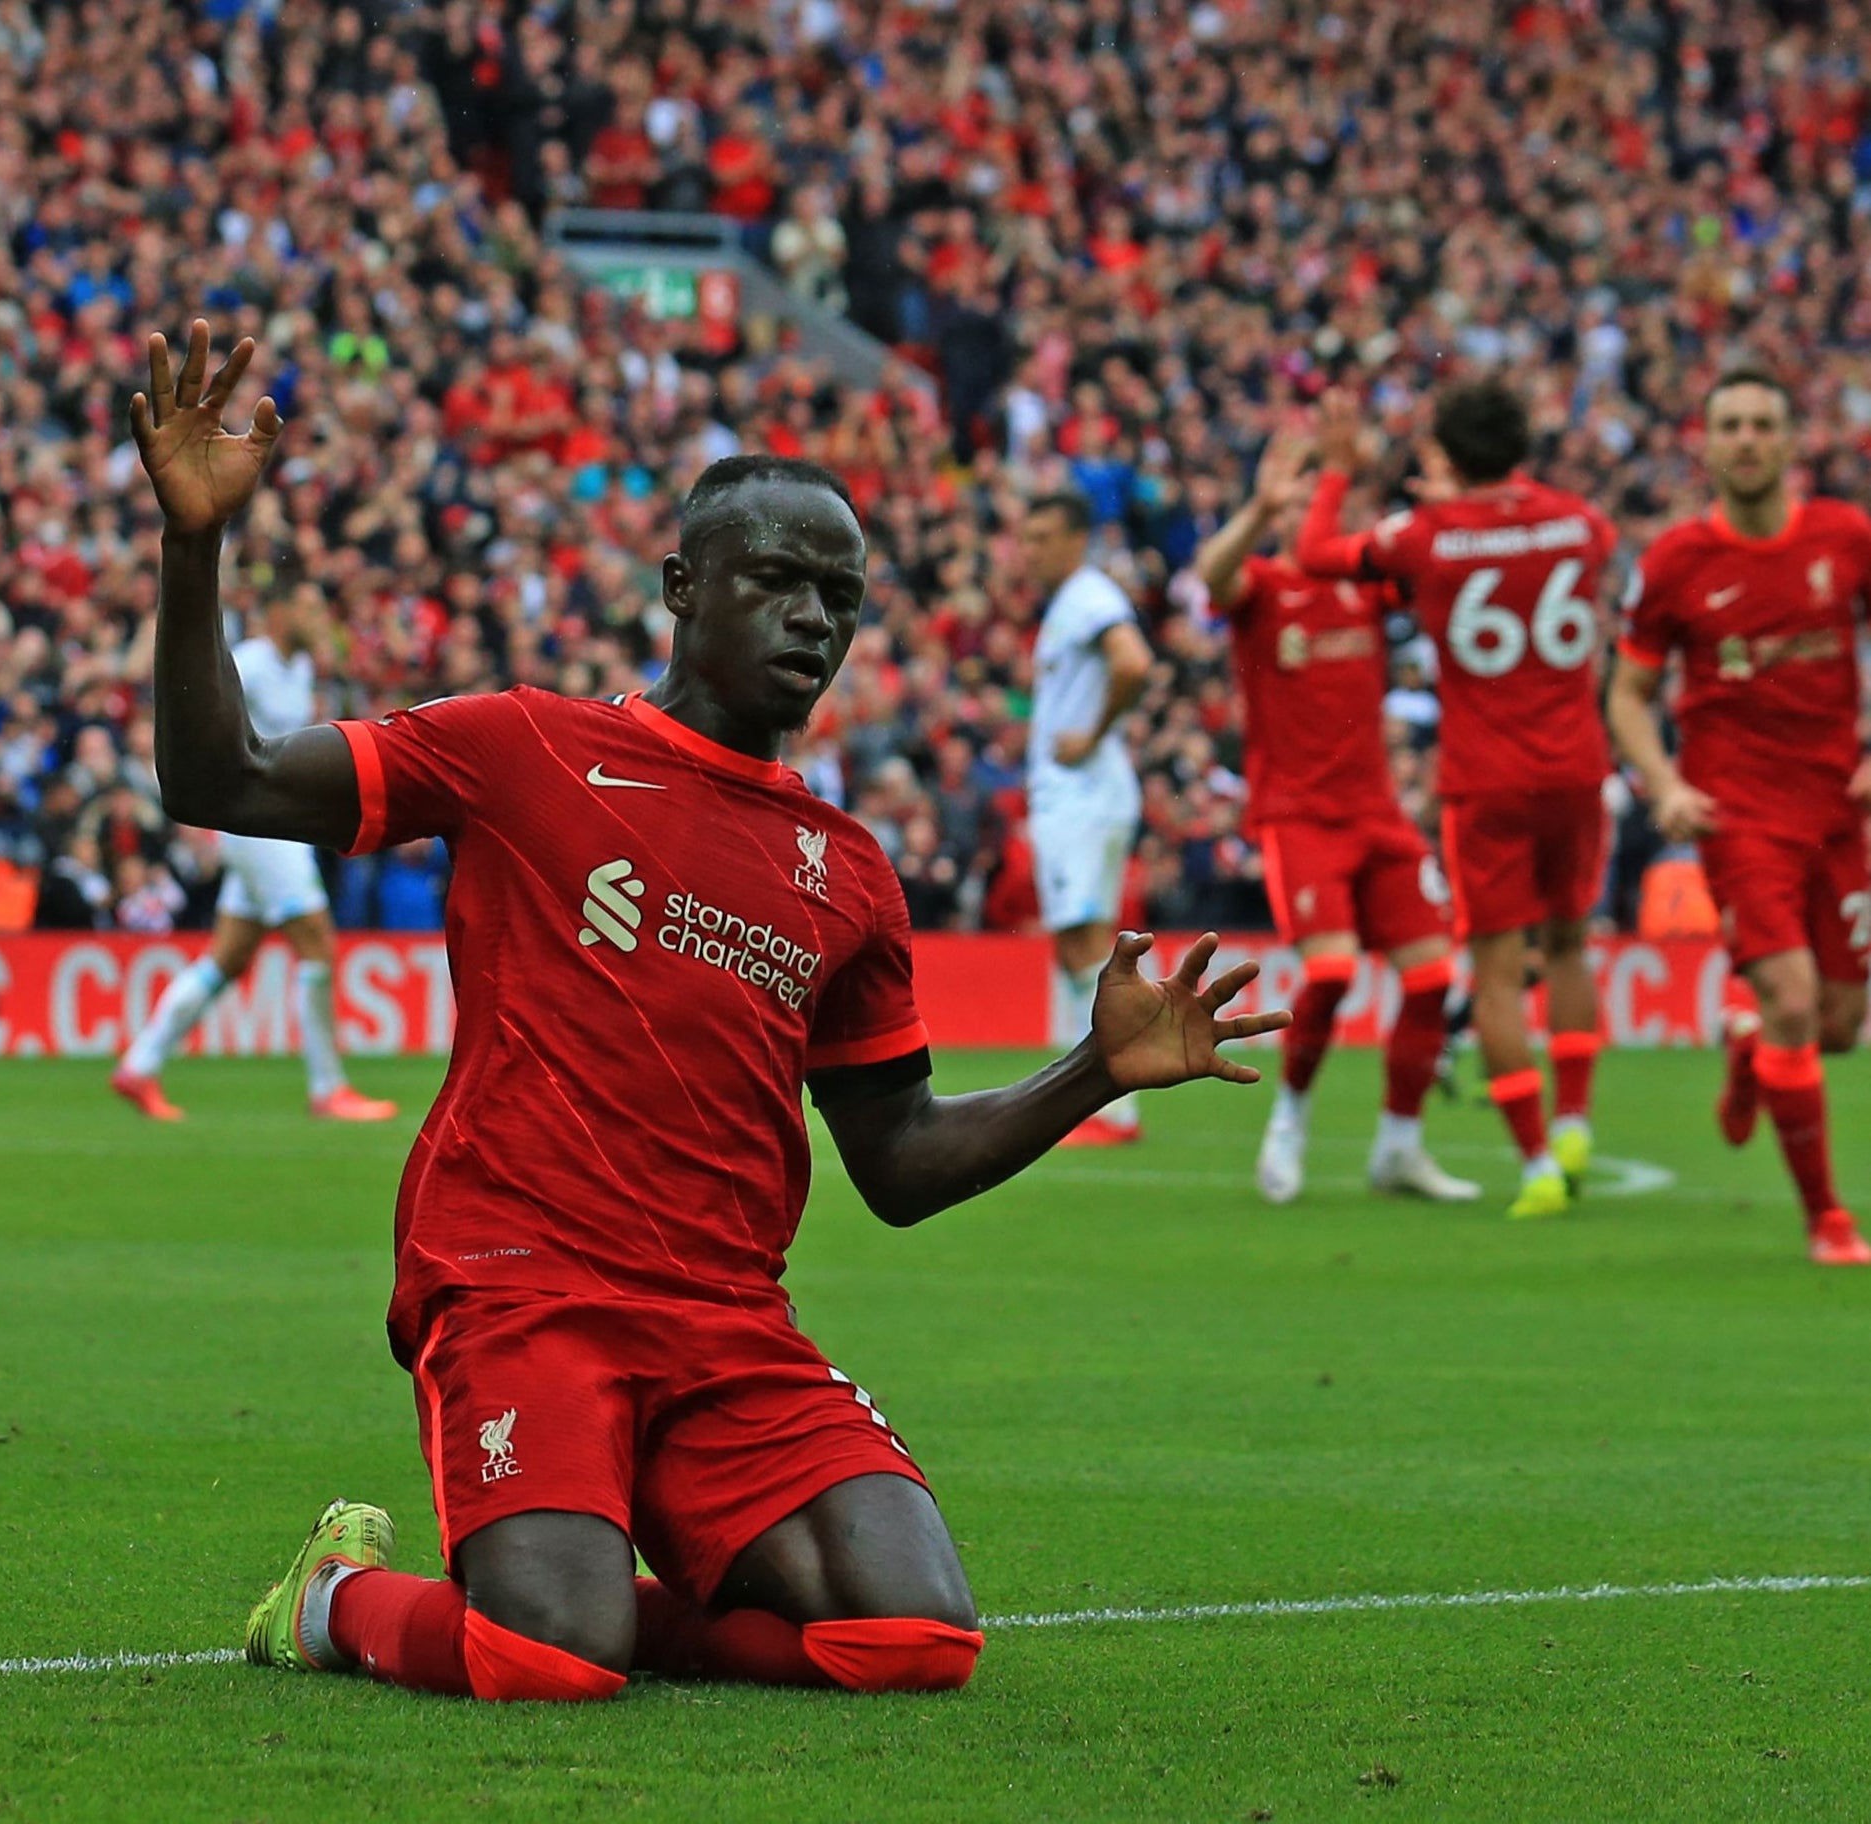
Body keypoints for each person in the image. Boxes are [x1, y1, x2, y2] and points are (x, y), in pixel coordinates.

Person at [130, 321, 1289, 1703]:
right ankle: (334, 1601)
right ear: (684, 586)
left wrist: (1088, 1073)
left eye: (839, 597)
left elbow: (900, 1163)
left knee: (911, 1642)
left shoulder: (847, 870)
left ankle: (597, 1594)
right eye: (778, 582)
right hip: (521, 1277)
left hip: (725, 1316)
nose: (814, 619)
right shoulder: (524, 747)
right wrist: (193, 546)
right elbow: (225, 779)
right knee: (540, 1662)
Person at [1295, 382, 1615, 1222]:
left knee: (1499, 975)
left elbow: (1316, 550)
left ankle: (1540, 1162)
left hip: (1487, 780)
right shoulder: (1584, 523)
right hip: (1579, 766)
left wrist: (1336, 471)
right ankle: (1577, 1118)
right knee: (1573, 941)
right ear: (1523, 443)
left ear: (1445, 454)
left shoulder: (1427, 536)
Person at [1605, 366, 1871, 1267]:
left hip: (1837, 808)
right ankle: (1827, 1219)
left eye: (1764, 423)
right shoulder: (1677, 562)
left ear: (1793, 440)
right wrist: (1666, 784)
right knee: (1797, 998)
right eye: (1732, 425)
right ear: (1707, 444)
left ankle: (1751, 1043)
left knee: (1835, 1023)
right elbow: (1630, 694)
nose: (1749, 438)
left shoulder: (1846, 536)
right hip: (1738, 813)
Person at [1192, 427, 1477, 1205]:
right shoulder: (1260, 586)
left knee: (1432, 978)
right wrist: (1255, 510)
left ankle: (1399, 1147)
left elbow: (1443, 572)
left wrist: (1453, 508)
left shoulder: (1368, 586)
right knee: (1333, 970)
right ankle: (1288, 1120)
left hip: (1377, 813)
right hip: (1300, 816)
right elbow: (1210, 576)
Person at [110, 581, 394, 1123]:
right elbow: (192, 720)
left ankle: (139, 1066)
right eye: (310, 606)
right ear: (279, 613)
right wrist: (189, 807)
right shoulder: (254, 663)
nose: (320, 617)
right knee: (318, 945)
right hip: (259, 829)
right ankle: (328, 1088)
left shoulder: (301, 668)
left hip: (276, 827)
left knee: (230, 956)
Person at [1017, 484, 1154, 1147]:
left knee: (1088, 944)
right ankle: (1100, 1100)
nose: (1030, 551)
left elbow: (1134, 662)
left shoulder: (1089, 598)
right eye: (1027, 538)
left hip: (1084, 794)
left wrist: (1095, 734)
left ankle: (1108, 1105)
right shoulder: (1070, 605)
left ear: (1076, 539)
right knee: (1080, 944)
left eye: (1042, 538)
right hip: (1076, 797)